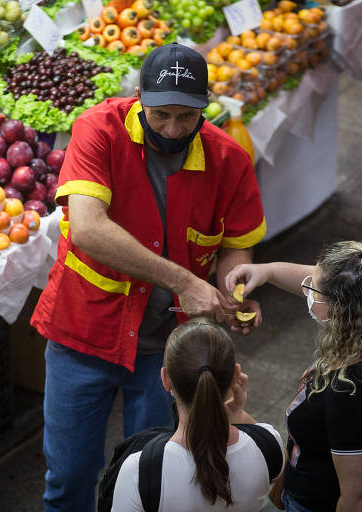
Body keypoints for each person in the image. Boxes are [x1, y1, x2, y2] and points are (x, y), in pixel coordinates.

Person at [30, 42, 267, 511]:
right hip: (84, 333)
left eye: (186, 116)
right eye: (161, 115)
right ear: (139, 96)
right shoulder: (98, 130)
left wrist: (234, 292)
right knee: (69, 477)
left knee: (150, 478)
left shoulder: (228, 160)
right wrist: (183, 282)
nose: (173, 129)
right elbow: (89, 230)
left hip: (163, 353)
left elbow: (234, 248)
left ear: (205, 107)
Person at [227, 241, 362, 512]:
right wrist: (267, 271)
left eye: (312, 289)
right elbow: (325, 281)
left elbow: (360, 498)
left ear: (338, 310)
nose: (306, 289)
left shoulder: (349, 396)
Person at [111, 319, 284, 511]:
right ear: (235, 375)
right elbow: (284, 473)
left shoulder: (139, 472)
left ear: (166, 379)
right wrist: (237, 413)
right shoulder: (269, 445)